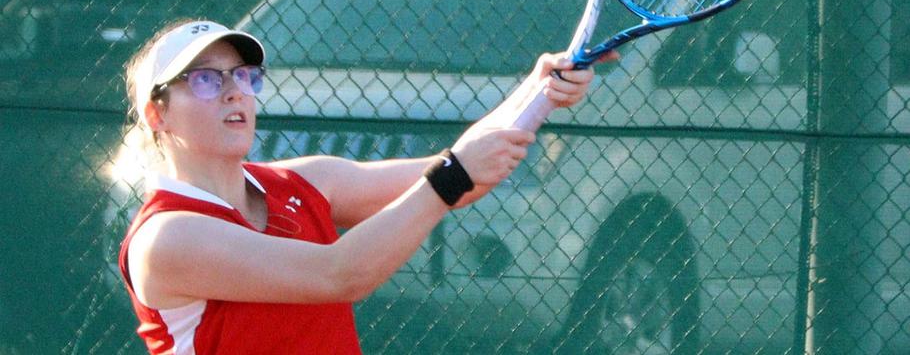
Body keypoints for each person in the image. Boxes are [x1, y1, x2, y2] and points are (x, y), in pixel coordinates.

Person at [118, 19, 616, 354]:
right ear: (157, 113)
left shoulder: (307, 181)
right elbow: (339, 274)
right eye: (205, 79)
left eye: (245, 76)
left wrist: (540, 90)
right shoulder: (168, 239)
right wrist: (454, 173)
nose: (234, 91)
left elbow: (454, 176)